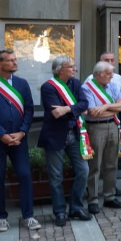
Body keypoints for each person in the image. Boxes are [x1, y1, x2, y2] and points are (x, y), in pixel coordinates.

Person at [0, 49, 40, 232]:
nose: (15, 63)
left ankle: (28, 216)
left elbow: (29, 109)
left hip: (19, 139)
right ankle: (1, 217)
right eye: (10, 60)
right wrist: (2, 135)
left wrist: (22, 132)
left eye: (15, 59)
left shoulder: (22, 83)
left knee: (24, 174)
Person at [39, 56, 91, 227]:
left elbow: (85, 103)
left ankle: (76, 207)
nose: (75, 69)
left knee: (83, 170)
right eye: (71, 67)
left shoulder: (76, 84)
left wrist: (68, 108)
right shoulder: (48, 87)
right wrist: (75, 110)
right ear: (60, 70)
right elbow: (55, 112)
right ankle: (60, 211)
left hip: (75, 134)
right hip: (55, 135)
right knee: (56, 176)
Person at [82, 61, 121, 213]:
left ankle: (109, 196)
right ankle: (93, 199)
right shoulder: (87, 88)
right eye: (109, 74)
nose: (111, 76)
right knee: (94, 165)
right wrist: (114, 108)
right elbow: (92, 111)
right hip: (96, 127)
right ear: (98, 74)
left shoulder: (113, 85)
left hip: (113, 126)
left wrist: (106, 107)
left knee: (111, 163)